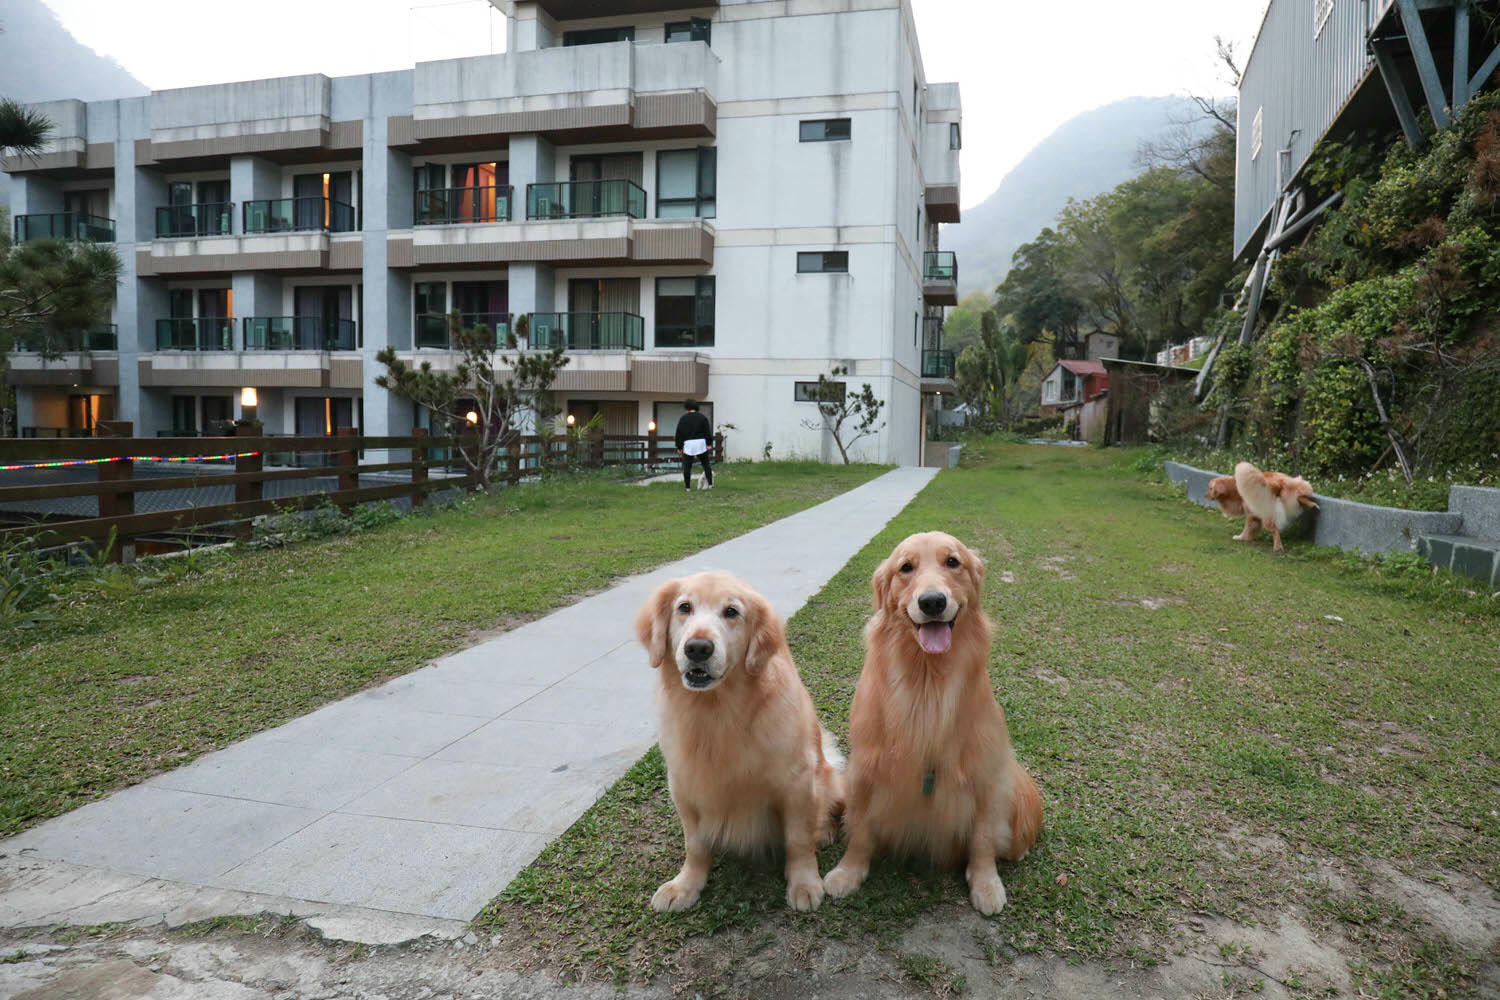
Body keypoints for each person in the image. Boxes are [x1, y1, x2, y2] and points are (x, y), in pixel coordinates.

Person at [674, 401, 714, 492]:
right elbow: (707, 431)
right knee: (706, 464)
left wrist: (679, 447)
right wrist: (708, 443)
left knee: (687, 467)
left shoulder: (683, 419)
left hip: (689, 444)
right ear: (697, 407)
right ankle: (710, 484)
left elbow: (679, 434)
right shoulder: (702, 417)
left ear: (687, 408)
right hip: (701, 443)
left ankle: (688, 487)